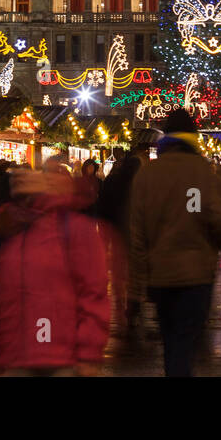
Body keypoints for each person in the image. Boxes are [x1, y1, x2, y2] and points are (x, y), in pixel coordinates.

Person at [129, 109, 221, 376]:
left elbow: (137, 231)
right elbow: (217, 216)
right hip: (196, 273)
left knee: (171, 340)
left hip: (160, 275)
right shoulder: (204, 172)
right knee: (184, 342)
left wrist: (138, 278)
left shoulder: (147, 175)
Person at [0, 165, 110, 375]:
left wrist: (88, 352)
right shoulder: (14, 227)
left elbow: (93, 294)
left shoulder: (77, 229)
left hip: (61, 358)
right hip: (16, 357)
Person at [98, 137, 149, 327]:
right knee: (133, 268)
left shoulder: (113, 178)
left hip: (116, 229)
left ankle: (121, 302)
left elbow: (103, 203)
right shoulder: (141, 181)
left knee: (119, 271)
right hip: (130, 229)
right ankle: (132, 302)